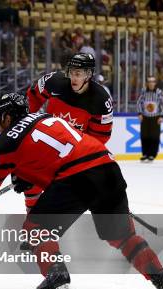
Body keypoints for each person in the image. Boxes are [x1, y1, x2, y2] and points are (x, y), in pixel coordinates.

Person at [0, 93, 163, 289]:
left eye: (0, 118)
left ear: (9, 116)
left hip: (77, 177)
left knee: (36, 229)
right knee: (121, 236)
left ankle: (56, 278)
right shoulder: (48, 118)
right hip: (108, 168)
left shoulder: (5, 143)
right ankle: (160, 277)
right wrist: (28, 175)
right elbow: (55, 156)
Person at [24, 52, 113, 211]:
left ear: (89, 75)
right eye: (71, 72)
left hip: (75, 149)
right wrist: (26, 122)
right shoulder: (54, 81)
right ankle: (33, 214)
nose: (73, 77)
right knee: (30, 176)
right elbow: (33, 98)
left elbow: (100, 137)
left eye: (78, 74)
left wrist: (80, 158)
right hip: (47, 141)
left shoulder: (101, 100)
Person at [136, 76, 163, 162]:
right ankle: (145, 154)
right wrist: (139, 113)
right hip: (145, 117)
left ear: (155, 83)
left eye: (152, 81)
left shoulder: (158, 92)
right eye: (149, 81)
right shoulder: (143, 91)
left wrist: (161, 116)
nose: (151, 83)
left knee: (154, 136)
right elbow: (139, 102)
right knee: (144, 136)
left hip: (155, 118)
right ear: (147, 83)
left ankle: (152, 154)